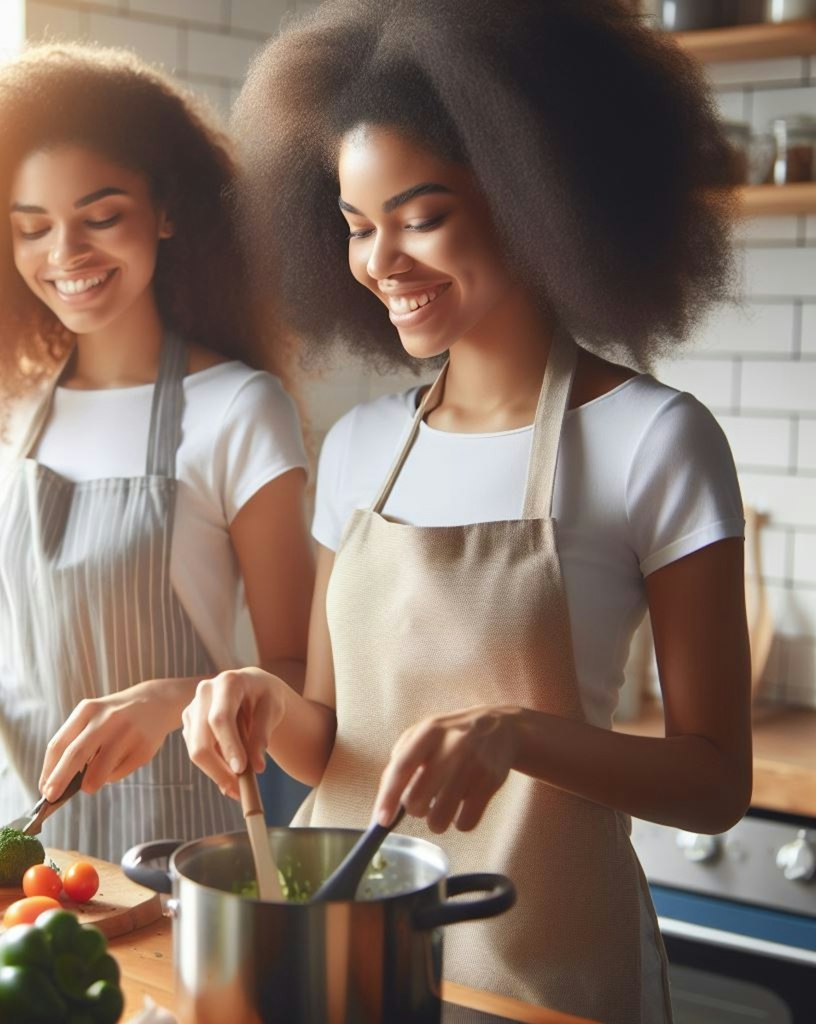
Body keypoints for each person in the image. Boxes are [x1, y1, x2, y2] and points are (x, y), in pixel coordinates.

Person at [181, 2, 752, 1021]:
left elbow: (712, 783)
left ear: (536, 196)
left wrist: (517, 734)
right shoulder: (359, 447)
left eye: (421, 214)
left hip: (546, 976)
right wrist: (264, 702)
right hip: (345, 964)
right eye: (357, 227)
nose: (380, 261)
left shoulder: (655, 439)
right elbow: (334, 743)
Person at [0, 43, 314, 863]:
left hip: (175, 851)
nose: (66, 254)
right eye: (33, 229)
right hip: (16, 848)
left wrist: (174, 700)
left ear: (166, 209)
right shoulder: (7, 414)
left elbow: (298, 679)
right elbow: (3, 667)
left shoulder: (239, 410)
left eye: (100, 217)